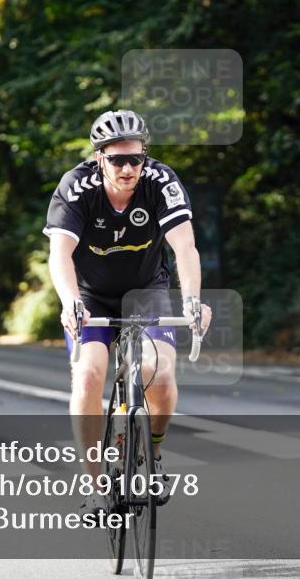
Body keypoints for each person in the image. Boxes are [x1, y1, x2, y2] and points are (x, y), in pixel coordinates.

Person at [43, 109, 212, 517]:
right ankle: (95, 483)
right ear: (99, 158)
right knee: (87, 376)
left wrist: (192, 302)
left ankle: (152, 453)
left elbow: (185, 248)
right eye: (116, 159)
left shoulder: (161, 182)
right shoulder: (76, 187)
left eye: (135, 158)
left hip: (146, 291)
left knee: (161, 372)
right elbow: (59, 253)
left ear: (144, 157)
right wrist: (70, 302)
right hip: (91, 295)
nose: (127, 168)